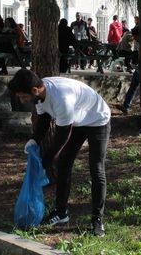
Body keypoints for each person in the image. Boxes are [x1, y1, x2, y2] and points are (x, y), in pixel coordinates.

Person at [8, 69, 111, 236]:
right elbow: (44, 120)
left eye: (23, 96)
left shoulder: (61, 99)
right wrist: (34, 140)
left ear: (34, 91)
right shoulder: (40, 94)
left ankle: (97, 219)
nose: (22, 100)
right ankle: (61, 212)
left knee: (96, 168)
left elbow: (62, 137)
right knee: (64, 164)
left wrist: (46, 161)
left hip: (97, 119)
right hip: (77, 119)